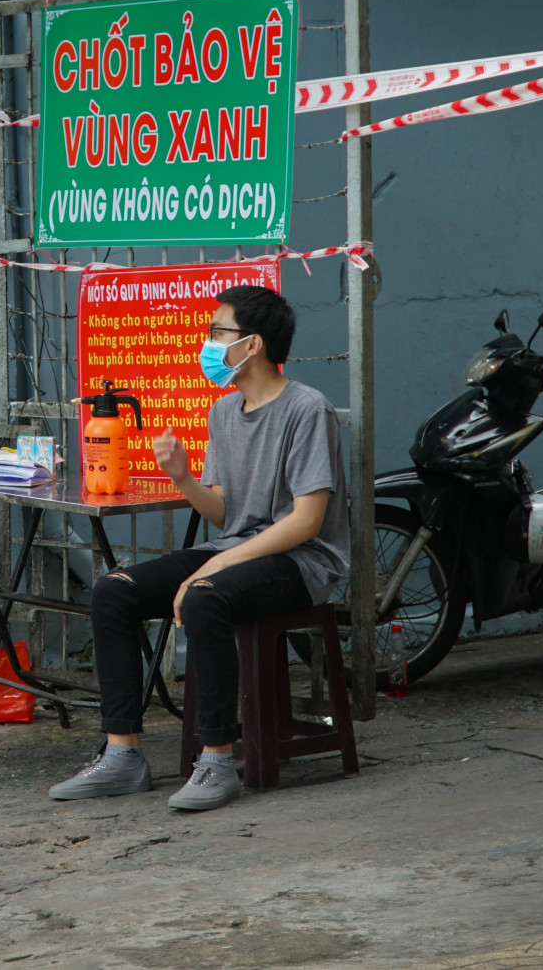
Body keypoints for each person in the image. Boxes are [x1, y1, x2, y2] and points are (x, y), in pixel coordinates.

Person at [49, 284, 349, 811]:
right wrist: (183, 478)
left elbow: (306, 522)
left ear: (251, 344)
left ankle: (216, 759)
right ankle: (122, 757)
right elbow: (224, 512)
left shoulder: (308, 410)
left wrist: (213, 567)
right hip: (239, 547)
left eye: (218, 332)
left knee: (206, 594)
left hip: (304, 562)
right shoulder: (224, 412)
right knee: (113, 592)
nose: (209, 343)